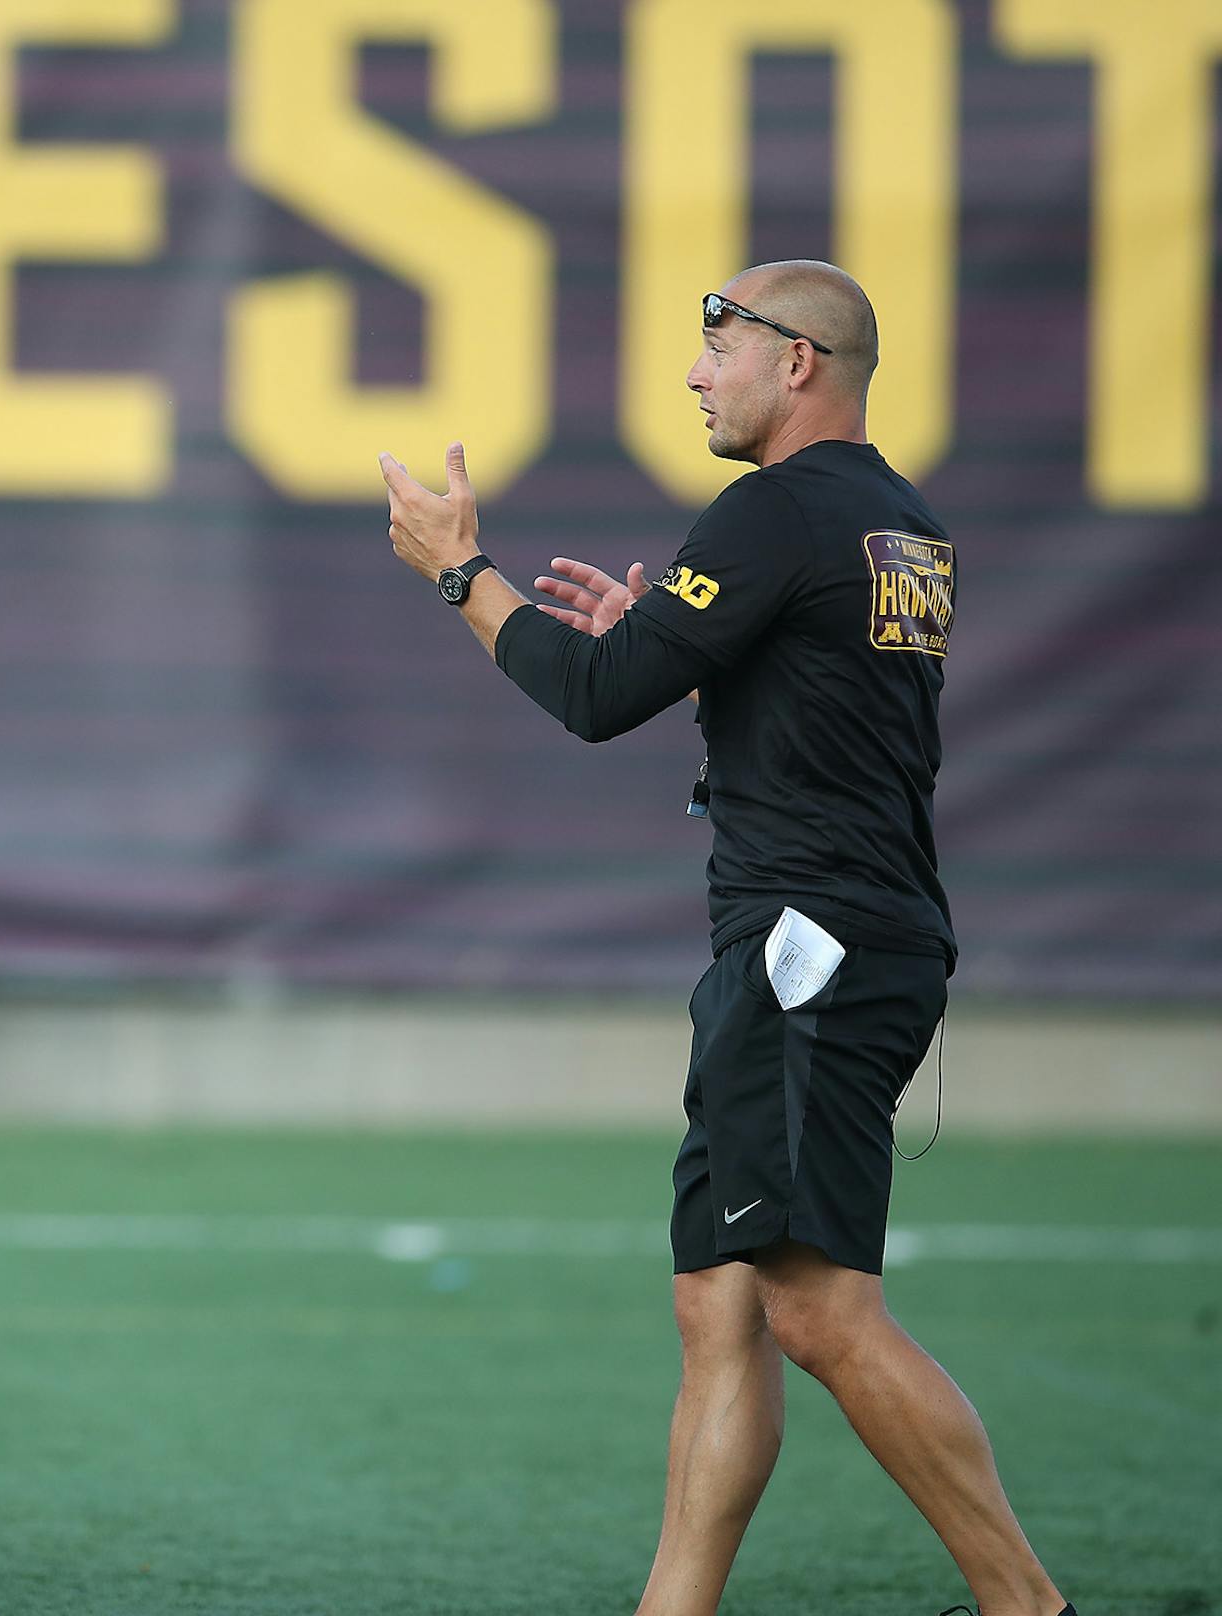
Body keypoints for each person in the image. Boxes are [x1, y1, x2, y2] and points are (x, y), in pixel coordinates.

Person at [380, 260, 1073, 1616]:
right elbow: (799, 703)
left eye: (719, 342)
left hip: (808, 950)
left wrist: (459, 568)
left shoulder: (774, 514)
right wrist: (670, 637)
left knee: (815, 1309)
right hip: (835, 935)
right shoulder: (897, 519)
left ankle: (1026, 1604)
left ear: (798, 361)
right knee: (721, 1308)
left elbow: (593, 697)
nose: (697, 371)